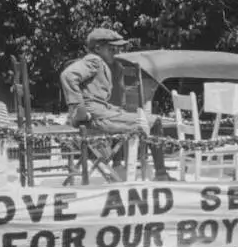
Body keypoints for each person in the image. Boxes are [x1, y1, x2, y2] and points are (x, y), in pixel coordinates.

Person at [60, 28, 174, 181]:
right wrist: (78, 108)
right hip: (96, 116)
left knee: (147, 119)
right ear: (98, 48)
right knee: (154, 122)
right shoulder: (94, 60)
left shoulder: (105, 63)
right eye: (111, 48)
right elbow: (67, 76)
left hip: (101, 112)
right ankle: (161, 174)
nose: (116, 51)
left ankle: (132, 168)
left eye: (117, 48)